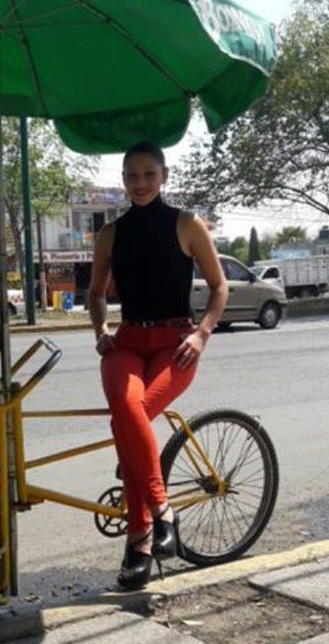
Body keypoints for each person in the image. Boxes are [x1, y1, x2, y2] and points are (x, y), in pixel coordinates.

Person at [88, 142, 228, 590]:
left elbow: (219, 287)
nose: (140, 183)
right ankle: (163, 513)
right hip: (127, 342)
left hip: (176, 343)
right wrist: (101, 329)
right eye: (132, 175)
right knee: (127, 410)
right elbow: (96, 294)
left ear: (164, 176)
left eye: (149, 174)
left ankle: (139, 543)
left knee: (128, 427)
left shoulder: (186, 223)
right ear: (123, 180)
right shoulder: (111, 234)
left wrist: (202, 334)